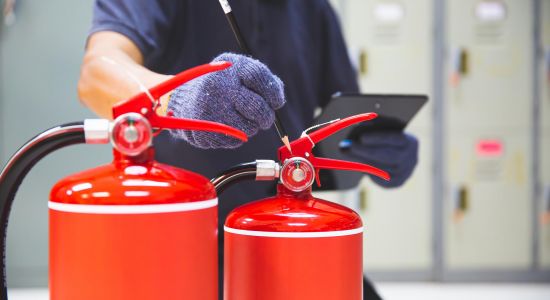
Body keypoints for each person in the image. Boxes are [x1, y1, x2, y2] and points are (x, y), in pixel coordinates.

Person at [78, 1, 419, 299]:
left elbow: (342, 119)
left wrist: (371, 150)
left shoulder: (313, 9)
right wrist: (177, 100)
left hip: (283, 238)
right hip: (176, 241)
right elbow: (96, 74)